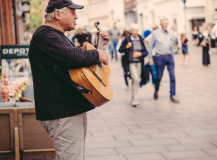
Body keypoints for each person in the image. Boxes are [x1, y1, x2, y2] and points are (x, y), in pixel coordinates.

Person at [28, 0, 110, 159]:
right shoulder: (46, 35)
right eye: (73, 13)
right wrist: (97, 54)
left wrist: (98, 46)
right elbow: (73, 57)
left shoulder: (53, 36)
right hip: (62, 113)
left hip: (66, 111)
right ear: (58, 14)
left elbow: (72, 60)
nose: (77, 17)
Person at [148, 18, 180, 103]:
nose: (166, 25)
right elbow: (150, 47)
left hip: (169, 57)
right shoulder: (156, 33)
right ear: (161, 24)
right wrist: (150, 59)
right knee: (159, 77)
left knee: (172, 76)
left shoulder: (170, 34)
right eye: (164, 23)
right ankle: (156, 90)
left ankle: (172, 95)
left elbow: (171, 47)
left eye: (167, 23)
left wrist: (173, 57)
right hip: (160, 57)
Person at [119, 23, 148, 107]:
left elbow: (146, 52)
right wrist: (127, 47)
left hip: (139, 62)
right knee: (135, 79)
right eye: (134, 30)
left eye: (137, 30)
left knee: (137, 80)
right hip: (130, 62)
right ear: (131, 31)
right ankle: (134, 99)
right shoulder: (127, 39)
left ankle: (135, 99)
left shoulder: (141, 39)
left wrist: (140, 54)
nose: (135, 32)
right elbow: (120, 50)